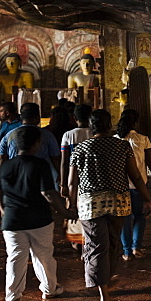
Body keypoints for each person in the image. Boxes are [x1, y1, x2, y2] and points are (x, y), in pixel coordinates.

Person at [69, 109, 151, 301]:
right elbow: (134, 175)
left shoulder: (80, 149)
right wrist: (147, 197)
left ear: (91, 127)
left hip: (90, 205)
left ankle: (102, 287)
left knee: (97, 246)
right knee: (113, 245)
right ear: (109, 126)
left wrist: (71, 205)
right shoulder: (121, 146)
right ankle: (104, 292)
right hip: (118, 203)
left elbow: (72, 182)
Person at [0, 126, 73, 301]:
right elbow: (48, 193)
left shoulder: (5, 165)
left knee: (15, 258)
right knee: (44, 255)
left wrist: (3, 208)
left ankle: (13, 299)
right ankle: (49, 289)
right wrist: (64, 211)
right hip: (39, 218)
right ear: (36, 143)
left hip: (12, 220)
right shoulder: (39, 165)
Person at [116, 109, 151, 260]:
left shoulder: (114, 140)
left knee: (124, 217)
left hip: (119, 186)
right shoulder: (142, 139)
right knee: (140, 216)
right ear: (136, 122)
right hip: (139, 185)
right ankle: (137, 247)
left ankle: (127, 251)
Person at [60, 103, 92, 253]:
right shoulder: (94, 133)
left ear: (74, 118)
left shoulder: (68, 135)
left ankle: (77, 243)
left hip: (74, 180)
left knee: (75, 210)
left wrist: (63, 183)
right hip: (92, 180)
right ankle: (88, 242)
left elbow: (64, 162)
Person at [0, 102, 61, 177]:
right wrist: (60, 178)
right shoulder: (47, 135)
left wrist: (0, 178)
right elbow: (55, 158)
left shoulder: (9, 136)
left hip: (16, 177)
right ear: (37, 117)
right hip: (41, 177)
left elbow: (1, 159)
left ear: (21, 117)